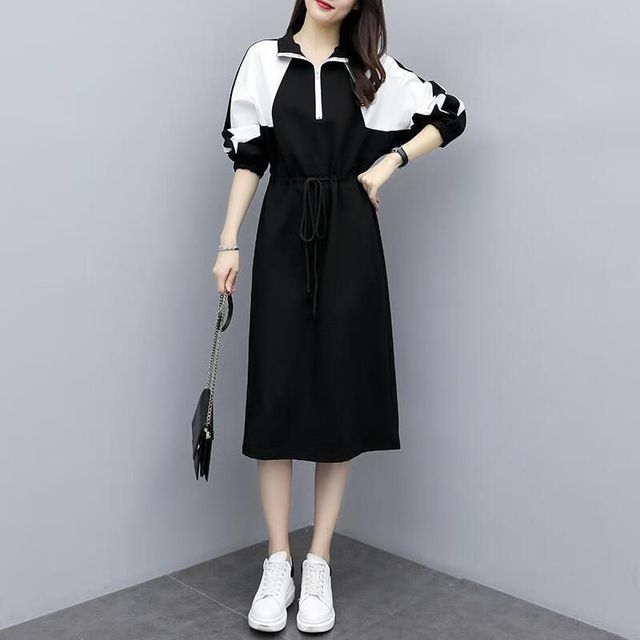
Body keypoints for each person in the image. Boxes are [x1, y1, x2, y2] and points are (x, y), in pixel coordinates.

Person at [214, 0, 466, 633]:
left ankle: (318, 561)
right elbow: (249, 157)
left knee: (339, 393)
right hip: (282, 230)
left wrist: (389, 162)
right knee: (276, 392)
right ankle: (278, 562)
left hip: (351, 238)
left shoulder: (373, 72)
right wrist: (228, 241)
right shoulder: (264, 61)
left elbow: (451, 114)